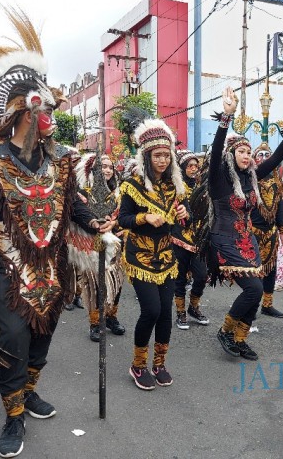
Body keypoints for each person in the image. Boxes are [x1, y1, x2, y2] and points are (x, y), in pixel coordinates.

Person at [0, 8, 107, 458]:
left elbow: (75, 203)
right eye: (45, 108)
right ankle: (12, 415)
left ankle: (29, 390)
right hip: (7, 265)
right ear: (25, 111)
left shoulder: (60, 159)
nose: (51, 116)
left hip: (53, 264)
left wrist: (94, 224)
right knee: (12, 336)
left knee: (44, 331)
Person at [204, 87, 283, 361]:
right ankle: (225, 330)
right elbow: (217, 149)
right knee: (254, 289)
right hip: (224, 239)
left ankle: (240, 339)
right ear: (232, 155)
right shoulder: (219, 179)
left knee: (255, 295)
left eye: (248, 151)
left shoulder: (252, 178)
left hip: (248, 241)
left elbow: (276, 158)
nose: (246, 156)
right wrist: (227, 117)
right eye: (241, 152)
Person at [117, 118, 189, 391]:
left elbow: (186, 216)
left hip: (167, 258)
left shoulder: (174, 186)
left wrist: (185, 213)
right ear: (146, 157)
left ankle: (159, 364)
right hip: (140, 257)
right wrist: (144, 216)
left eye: (166, 155)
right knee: (151, 310)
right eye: (157, 155)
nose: (162, 160)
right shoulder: (132, 185)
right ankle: (138, 365)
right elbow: (122, 219)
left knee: (166, 315)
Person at [68, 153, 125, 342]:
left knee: (116, 285)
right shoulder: (81, 193)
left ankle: (111, 317)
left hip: (115, 246)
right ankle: (95, 323)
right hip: (91, 246)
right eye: (103, 167)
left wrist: (116, 223)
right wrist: (94, 223)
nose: (107, 170)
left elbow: (124, 217)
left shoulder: (118, 193)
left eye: (110, 167)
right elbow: (78, 213)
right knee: (96, 286)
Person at [172, 149, 209, 330]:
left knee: (202, 276)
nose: (194, 169)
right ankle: (180, 312)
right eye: (190, 166)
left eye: (196, 165)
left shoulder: (201, 186)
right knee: (179, 278)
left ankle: (193, 307)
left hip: (199, 240)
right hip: (179, 238)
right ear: (182, 167)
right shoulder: (176, 188)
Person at [250, 140, 283, 318]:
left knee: (270, 268)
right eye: (260, 155)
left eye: (267, 155)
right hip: (252, 230)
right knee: (254, 269)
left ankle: (267, 304)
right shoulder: (250, 177)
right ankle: (251, 304)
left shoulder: (277, 180)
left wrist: (282, 230)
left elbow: (279, 205)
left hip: (271, 231)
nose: (264, 158)